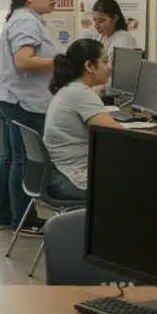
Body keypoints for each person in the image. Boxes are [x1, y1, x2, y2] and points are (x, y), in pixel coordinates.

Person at [0, 0, 58, 237]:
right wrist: (62, 62)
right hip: (22, 102)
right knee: (24, 160)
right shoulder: (26, 22)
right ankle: (23, 218)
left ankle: (4, 213)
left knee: (10, 157)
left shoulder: (27, 20)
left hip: (13, 98)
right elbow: (24, 61)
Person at [44, 39, 122, 201]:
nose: (110, 67)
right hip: (72, 178)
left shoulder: (70, 88)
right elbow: (118, 136)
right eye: (105, 62)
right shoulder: (81, 94)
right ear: (89, 66)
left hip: (57, 172)